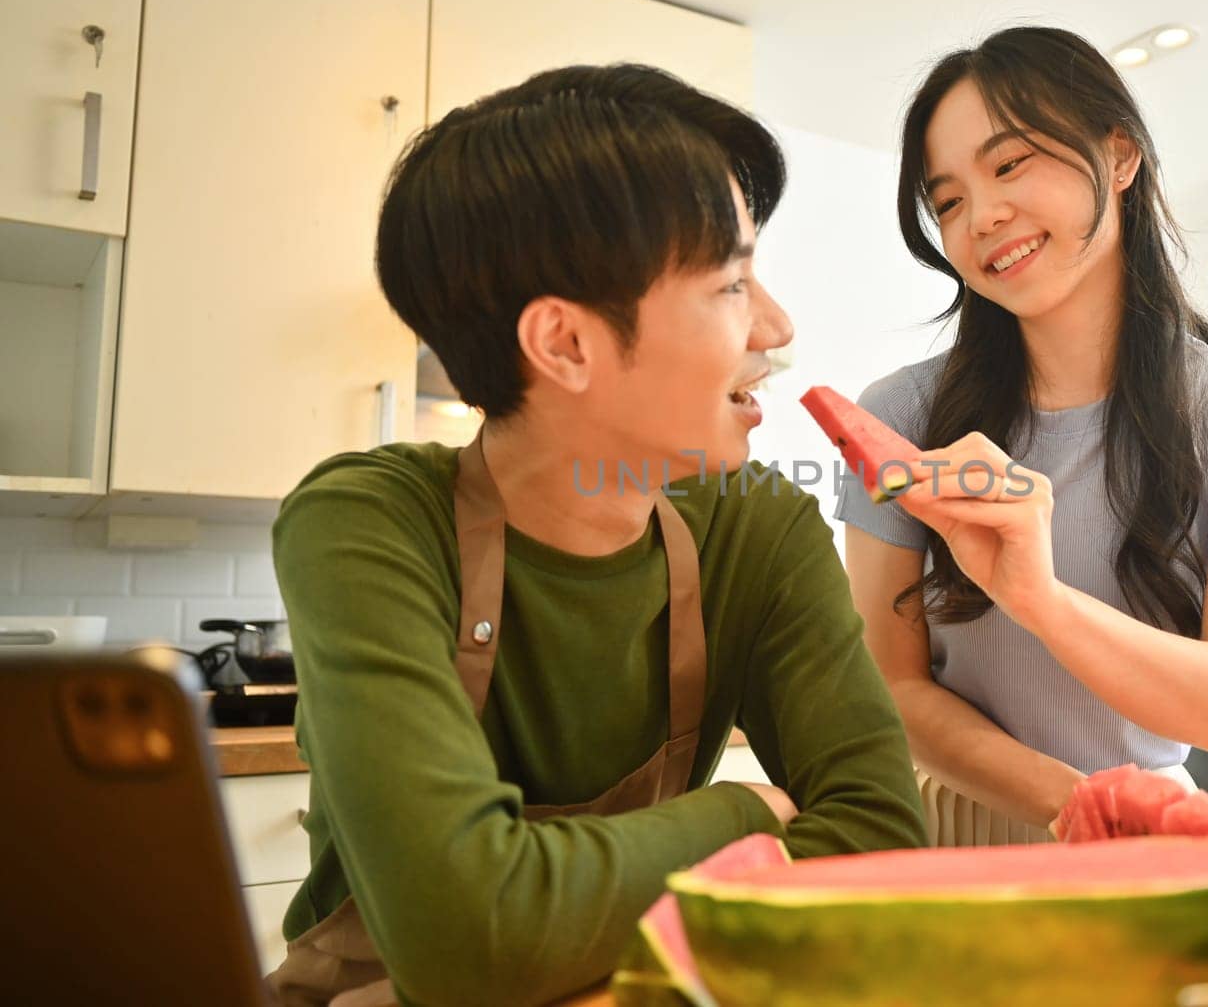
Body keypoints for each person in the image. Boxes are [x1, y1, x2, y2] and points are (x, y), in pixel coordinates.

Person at [266, 64, 926, 1006]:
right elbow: (467, 938)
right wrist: (745, 815)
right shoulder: (366, 524)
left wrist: (530, 886)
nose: (778, 326)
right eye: (733, 282)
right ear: (566, 345)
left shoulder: (761, 528)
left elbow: (883, 838)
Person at [836, 27, 1208, 847]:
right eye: (950, 201)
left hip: (1148, 841)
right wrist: (1069, 799)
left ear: (1119, 156)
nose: (984, 216)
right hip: (953, 831)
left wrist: (1041, 600)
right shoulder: (901, 419)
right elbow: (889, 683)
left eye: (1008, 165)